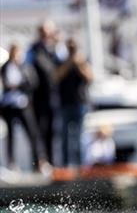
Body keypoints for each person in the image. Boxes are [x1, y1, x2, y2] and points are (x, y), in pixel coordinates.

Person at [1, 43, 46, 171]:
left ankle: (38, 162)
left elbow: (32, 83)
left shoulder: (25, 67)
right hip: (9, 106)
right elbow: (5, 83)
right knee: (11, 136)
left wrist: (19, 86)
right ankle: (11, 163)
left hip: (23, 104)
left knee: (32, 133)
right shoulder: (5, 67)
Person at [54, 38, 93, 166]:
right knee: (65, 136)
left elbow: (90, 77)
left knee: (80, 137)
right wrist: (69, 63)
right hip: (65, 103)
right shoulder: (61, 61)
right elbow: (56, 77)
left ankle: (81, 165)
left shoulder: (82, 61)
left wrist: (79, 64)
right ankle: (66, 164)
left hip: (80, 103)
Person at [27, 20, 61, 165]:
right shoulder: (33, 50)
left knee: (52, 132)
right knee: (39, 131)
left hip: (54, 97)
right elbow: (27, 68)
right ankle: (39, 163)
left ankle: (52, 162)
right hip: (38, 97)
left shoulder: (56, 48)